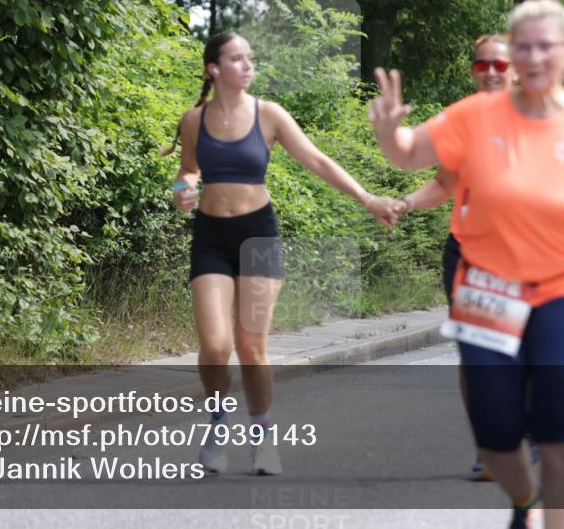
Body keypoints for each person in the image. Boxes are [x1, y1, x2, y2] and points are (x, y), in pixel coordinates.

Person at [368, 0, 564, 529]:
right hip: (489, 286)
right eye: (524, 46)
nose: (534, 57)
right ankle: (524, 502)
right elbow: (411, 155)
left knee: (559, 428)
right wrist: (390, 132)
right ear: (513, 53)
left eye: (546, 47)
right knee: (495, 439)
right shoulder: (474, 116)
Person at [165, 32, 404, 475]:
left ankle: (261, 438)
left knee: (251, 347)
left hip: (258, 235)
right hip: (211, 237)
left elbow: (318, 161)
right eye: (237, 58)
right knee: (215, 347)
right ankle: (218, 429)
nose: (248, 65)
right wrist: (185, 189)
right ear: (213, 69)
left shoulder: (269, 115)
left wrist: (368, 198)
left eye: (250, 58)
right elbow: (187, 171)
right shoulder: (194, 119)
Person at [402, 33, 516, 483]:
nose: (490, 72)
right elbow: (444, 183)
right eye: (482, 64)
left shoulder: (541, 118)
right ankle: (488, 446)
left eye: (500, 65)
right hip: (468, 250)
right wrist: (406, 202)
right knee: (477, 356)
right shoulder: (463, 121)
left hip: (524, 254)